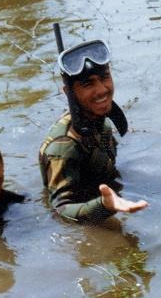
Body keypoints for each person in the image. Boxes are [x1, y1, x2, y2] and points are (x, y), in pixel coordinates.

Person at [39, 38, 148, 223]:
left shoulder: (98, 119)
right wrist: (104, 206)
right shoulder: (63, 147)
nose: (101, 90)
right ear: (69, 92)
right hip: (91, 219)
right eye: (88, 84)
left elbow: (128, 137)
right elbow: (60, 210)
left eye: (105, 77)